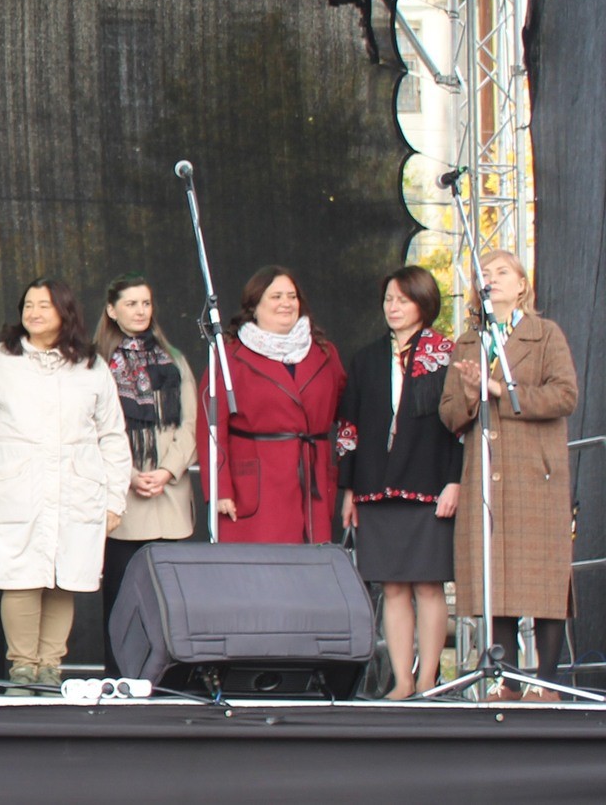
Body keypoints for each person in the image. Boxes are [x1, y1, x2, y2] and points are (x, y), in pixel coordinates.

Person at [0, 278, 129, 692]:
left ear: (65, 312)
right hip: (16, 486)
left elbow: (112, 435)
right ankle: (22, 668)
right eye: (28, 305)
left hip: (76, 487)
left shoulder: (91, 365)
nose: (33, 313)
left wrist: (115, 500)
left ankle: (50, 667)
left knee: (64, 577)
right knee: (20, 577)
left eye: (44, 305)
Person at [439, 249, 578, 700]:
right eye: (485, 273)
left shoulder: (545, 334)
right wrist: (470, 393)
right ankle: (510, 681)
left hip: (536, 473)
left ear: (521, 286)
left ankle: (547, 683)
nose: (492, 279)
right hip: (486, 475)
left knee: (543, 578)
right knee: (495, 579)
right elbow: (449, 414)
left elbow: (565, 396)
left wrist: (500, 388)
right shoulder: (467, 343)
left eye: (502, 272)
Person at [336, 265, 461, 699]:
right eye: (388, 299)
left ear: (424, 303)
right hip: (376, 487)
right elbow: (349, 427)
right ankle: (403, 681)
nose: (393, 307)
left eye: (402, 300)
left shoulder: (447, 353)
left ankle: (428, 680)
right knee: (391, 586)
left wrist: (454, 482)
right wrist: (350, 490)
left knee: (428, 584)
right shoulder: (367, 358)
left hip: (429, 485)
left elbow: (462, 427)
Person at [92, 274, 197, 676]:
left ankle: (168, 679)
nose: (140, 311)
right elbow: (92, 428)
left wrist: (167, 470)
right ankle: (120, 678)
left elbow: (190, 424)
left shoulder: (174, 359)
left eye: (146, 303)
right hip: (123, 495)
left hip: (168, 495)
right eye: (131, 303)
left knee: (169, 597)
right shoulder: (96, 362)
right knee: (122, 596)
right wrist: (130, 474)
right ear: (111, 310)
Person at [200, 266, 347, 544]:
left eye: (292, 296)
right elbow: (211, 428)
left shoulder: (324, 352)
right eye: (276, 296)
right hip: (256, 487)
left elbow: (345, 410)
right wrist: (220, 488)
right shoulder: (229, 355)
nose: (286, 303)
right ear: (254, 306)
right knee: (261, 565)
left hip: (311, 481)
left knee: (311, 564)